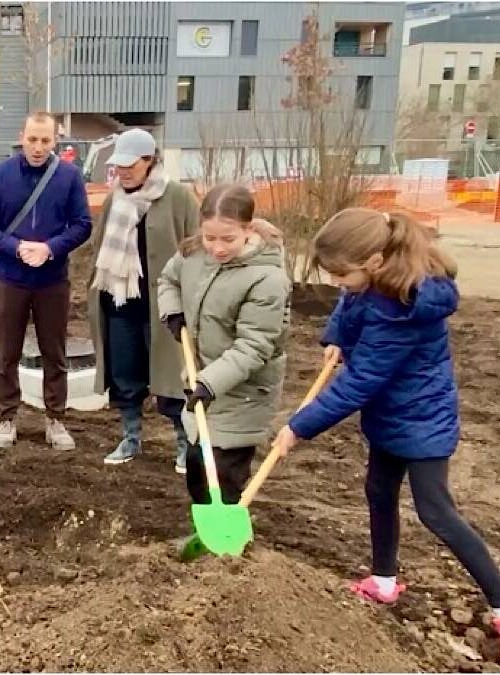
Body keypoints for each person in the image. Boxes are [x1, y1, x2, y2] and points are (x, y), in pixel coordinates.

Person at [273, 208, 500, 633]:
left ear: (373, 263)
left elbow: (360, 383)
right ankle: (383, 580)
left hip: (422, 419)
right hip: (391, 415)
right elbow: (350, 302)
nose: (338, 285)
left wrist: (299, 425)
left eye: (342, 275)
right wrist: (338, 337)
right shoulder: (373, 279)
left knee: (435, 511)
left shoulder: (404, 306)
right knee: (378, 490)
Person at [158, 184, 290, 505]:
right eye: (210, 237)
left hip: (243, 392)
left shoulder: (266, 279)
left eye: (228, 239)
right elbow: (169, 279)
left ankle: (226, 547)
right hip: (204, 378)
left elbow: (254, 346)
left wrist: (209, 383)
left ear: (248, 228)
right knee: (196, 466)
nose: (217, 248)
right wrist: (173, 311)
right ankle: (209, 531)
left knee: (222, 472)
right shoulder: (193, 255)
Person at [0, 111, 93, 450]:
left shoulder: (69, 177)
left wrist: (51, 249)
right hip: (10, 278)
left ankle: (55, 419)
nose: (38, 148)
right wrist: (16, 247)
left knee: (55, 353)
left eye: (45, 140)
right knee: (6, 352)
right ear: (21, 137)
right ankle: (7, 418)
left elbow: (83, 224)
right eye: (32, 139)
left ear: (56, 141)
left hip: (53, 280)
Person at [87, 128, 200, 469]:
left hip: (164, 307)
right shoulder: (115, 198)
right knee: (125, 374)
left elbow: (196, 249)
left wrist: (187, 298)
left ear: (150, 161)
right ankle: (130, 437)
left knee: (172, 378)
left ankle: (184, 443)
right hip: (120, 302)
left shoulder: (177, 196)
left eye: (130, 165)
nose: (122, 171)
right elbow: (98, 245)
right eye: (118, 164)